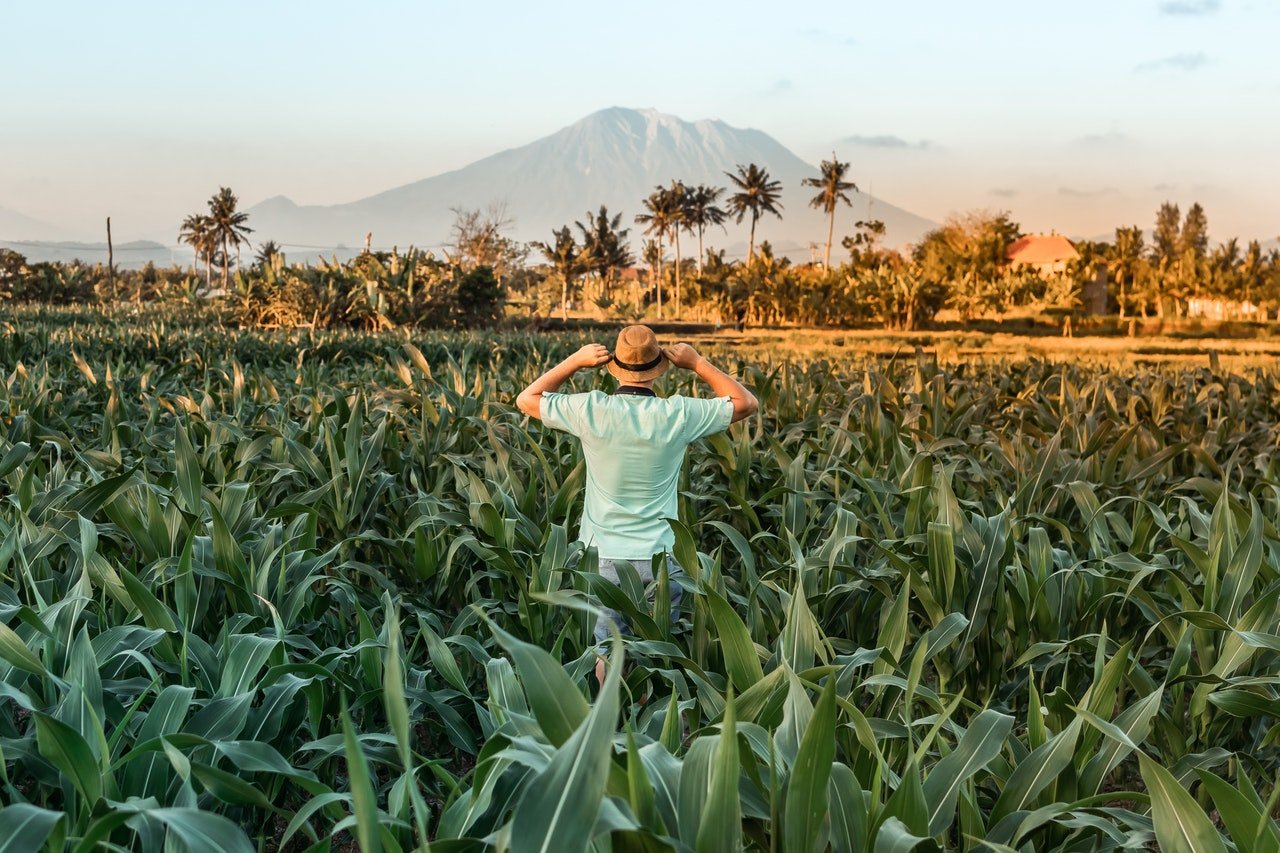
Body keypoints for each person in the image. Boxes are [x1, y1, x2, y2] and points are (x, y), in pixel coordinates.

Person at [516, 325, 759, 686]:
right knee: (656, 652)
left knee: (606, 651)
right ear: (659, 365)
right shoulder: (677, 414)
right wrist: (697, 363)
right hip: (662, 557)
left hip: (603, 557)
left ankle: (610, 724)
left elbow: (526, 399)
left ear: (613, 363)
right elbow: (746, 403)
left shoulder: (591, 409)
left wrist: (576, 361)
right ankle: (652, 728)